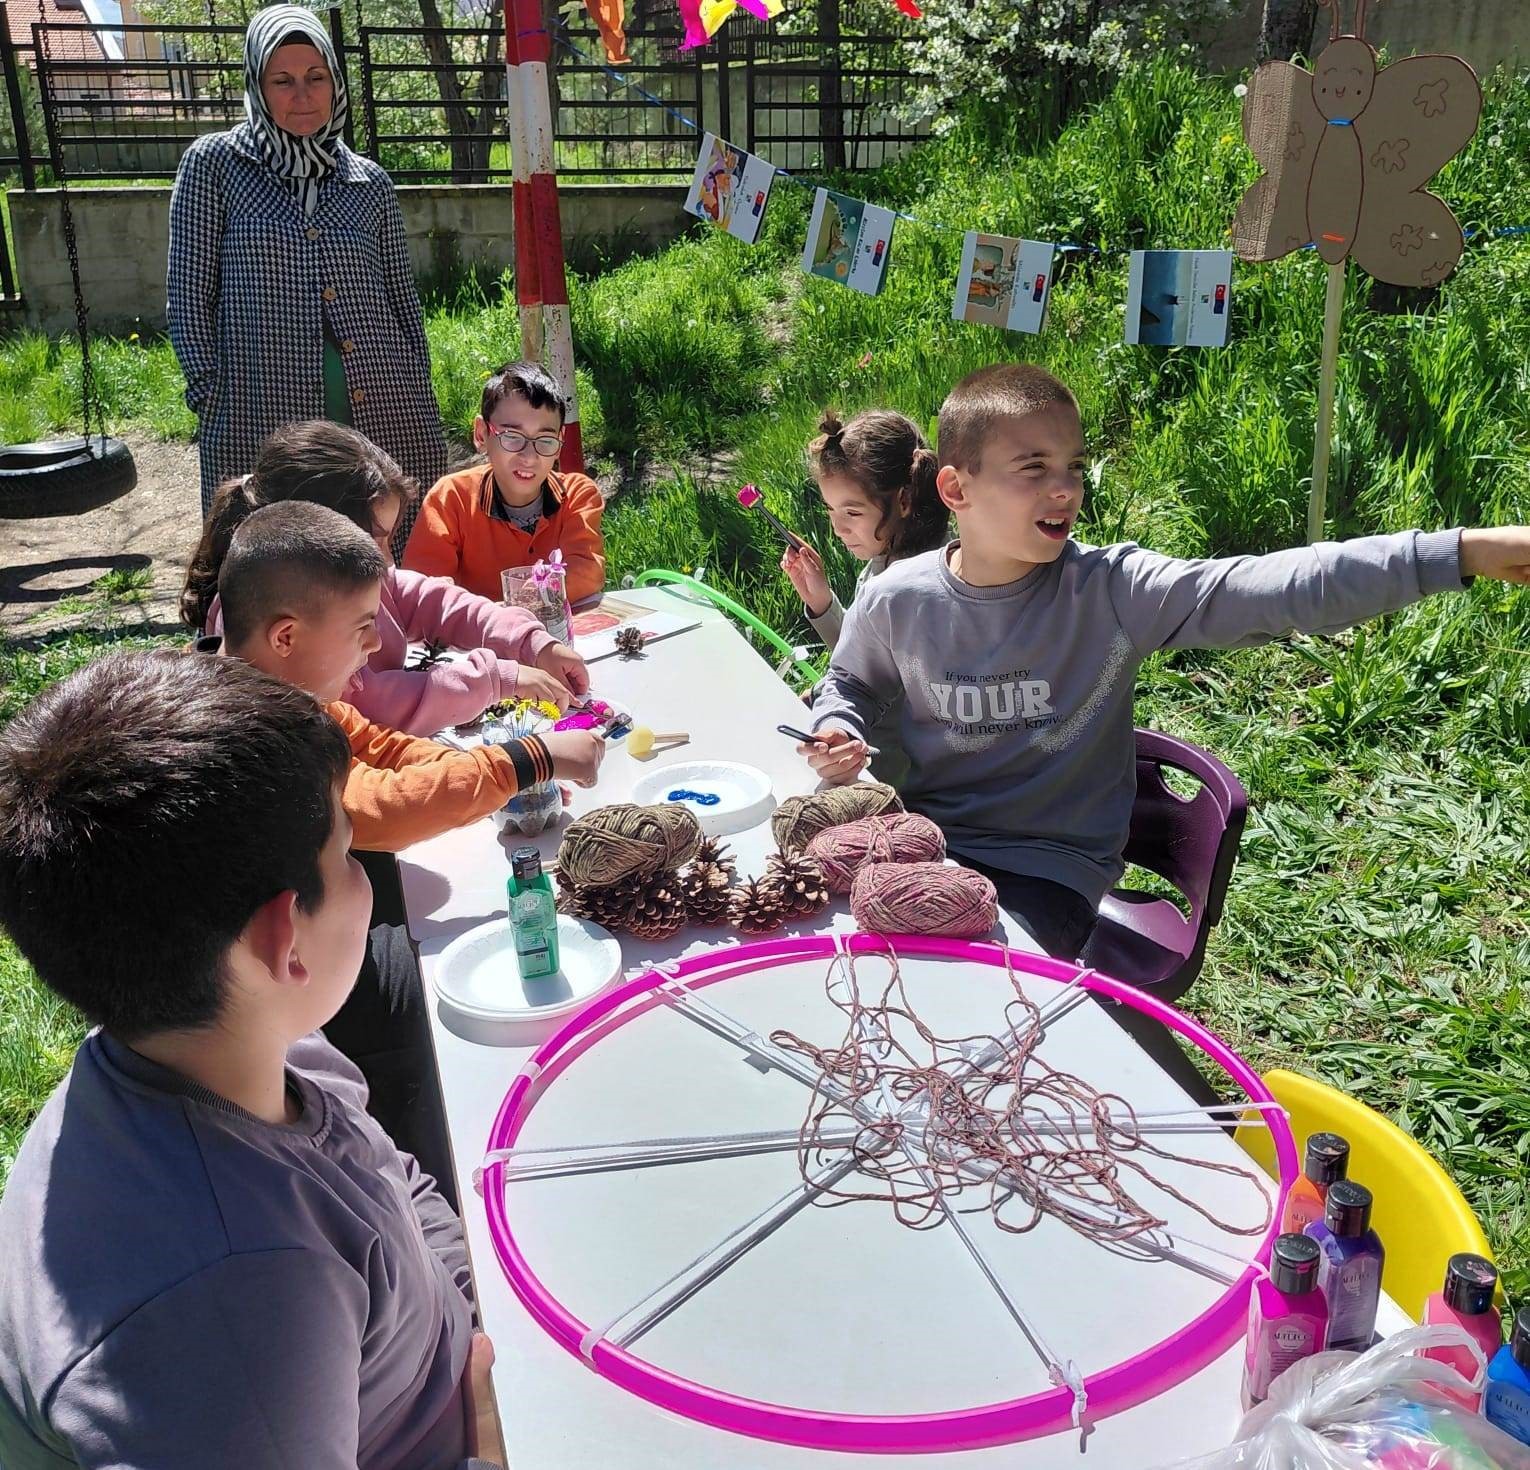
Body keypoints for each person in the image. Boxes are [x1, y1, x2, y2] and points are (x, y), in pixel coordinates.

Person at [801, 362, 1530, 960]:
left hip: (1045, 872)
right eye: (1034, 468)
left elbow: (1274, 585)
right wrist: (835, 726)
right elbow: (851, 680)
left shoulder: (1113, 591)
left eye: (1074, 466)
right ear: (956, 489)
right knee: (810, 941)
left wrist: (1462, 552)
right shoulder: (897, 598)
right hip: (923, 842)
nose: (1066, 489)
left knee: (968, 1006)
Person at [0, 650, 506, 1468]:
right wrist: (491, 1439)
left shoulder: (247, 1043)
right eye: (349, 855)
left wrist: (479, 1321)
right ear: (284, 942)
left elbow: (394, 1183)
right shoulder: (233, 1301)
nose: (362, 875)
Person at [167, 4, 446, 527]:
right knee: (273, 550)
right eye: (283, 80)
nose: (303, 95)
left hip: (381, 400)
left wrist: (417, 377)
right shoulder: (214, 165)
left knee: (382, 539)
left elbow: (401, 300)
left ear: (335, 82)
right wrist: (211, 395)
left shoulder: (368, 181)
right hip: (259, 409)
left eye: (316, 77)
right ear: (257, 84)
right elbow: (187, 296)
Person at [212, 501, 604, 852]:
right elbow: (380, 808)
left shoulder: (284, 694)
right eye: (363, 627)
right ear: (286, 637)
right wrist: (527, 761)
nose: (376, 641)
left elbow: (382, 748)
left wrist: (486, 780)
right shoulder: (244, 737)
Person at [182, 420, 589, 735]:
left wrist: (528, 641)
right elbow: (370, 706)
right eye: (377, 540)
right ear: (317, 533)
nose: (388, 557)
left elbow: (436, 602)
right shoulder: (277, 618)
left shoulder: (349, 579)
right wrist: (495, 680)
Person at [778, 409, 949, 785]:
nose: (838, 528)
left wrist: (828, 702)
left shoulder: (923, 585)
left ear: (904, 500)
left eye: (852, 511)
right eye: (831, 511)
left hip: (894, 775)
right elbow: (867, 661)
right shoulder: (882, 561)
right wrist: (822, 603)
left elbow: (881, 687)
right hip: (859, 752)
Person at [404, 361, 606, 604]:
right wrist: (503, 617)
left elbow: (586, 571)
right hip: (477, 637)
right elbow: (423, 592)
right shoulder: (451, 498)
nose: (529, 457)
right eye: (511, 437)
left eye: (545, 441)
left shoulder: (576, 494)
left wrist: (518, 600)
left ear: (559, 443)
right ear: (481, 434)